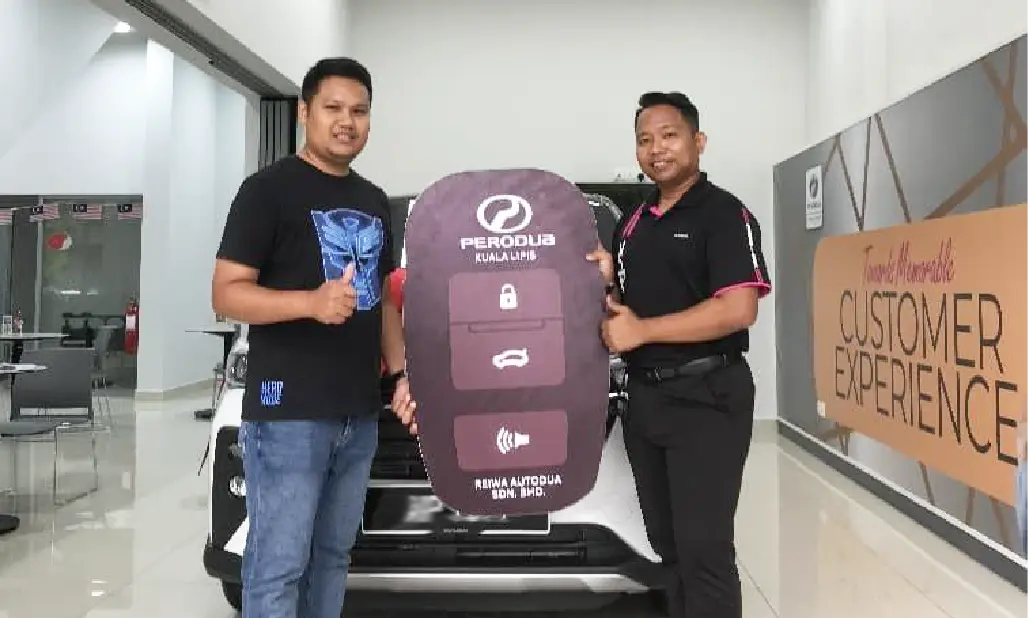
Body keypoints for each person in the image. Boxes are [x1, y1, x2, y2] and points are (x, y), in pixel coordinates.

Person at [211, 57, 411, 618]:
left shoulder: (374, 199)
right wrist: (309, 303)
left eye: (360, 111)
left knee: (333, 558)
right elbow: (226, 293)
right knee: (278, 565)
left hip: (357, 414)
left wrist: (400, 374)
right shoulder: (266, 191)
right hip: (288, 416)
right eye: (333, 108)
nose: (347, 122)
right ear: (304, 112)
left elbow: (383, 301)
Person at [587, 91, 771, 618]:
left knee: (704, 551)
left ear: (698, 141)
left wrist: (642, 331)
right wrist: (608, 283)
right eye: (645, 140)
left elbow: (738, 309)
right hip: (647, 401)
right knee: (665, 547)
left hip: (707, 398)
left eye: (669, 136)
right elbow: (629, 305)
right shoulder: (633, 222)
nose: (657, 149)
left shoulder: (724, 214)